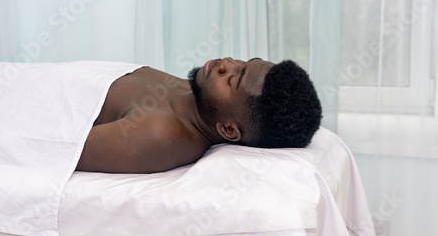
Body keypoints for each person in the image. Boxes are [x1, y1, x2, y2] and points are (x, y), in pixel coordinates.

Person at [76, 57, 322, 173]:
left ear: (228, 129)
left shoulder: (161, 133)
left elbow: (57, 149)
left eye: (233, 79)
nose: (226, 63)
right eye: (243, 61)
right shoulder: (191, 94)